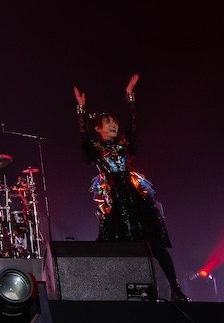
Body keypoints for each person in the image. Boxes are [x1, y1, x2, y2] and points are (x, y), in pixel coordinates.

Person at [74, 74, 187, 302]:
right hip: (114, 198)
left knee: (156, 244)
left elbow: (134, 126)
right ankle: (108, 292)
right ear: (98, 129)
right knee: (115, 243)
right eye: (108, 123)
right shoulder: (96, 148)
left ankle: (175, 288)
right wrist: (81, 109)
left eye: (115, 122)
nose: (114, 125)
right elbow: (84, 137)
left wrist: (130, 96)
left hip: (135, 196)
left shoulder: (125, 145)